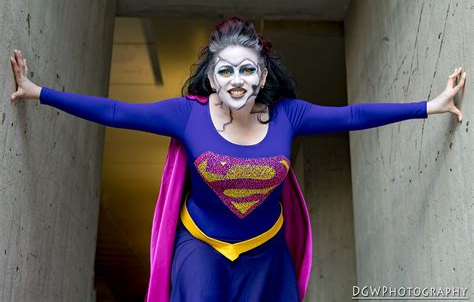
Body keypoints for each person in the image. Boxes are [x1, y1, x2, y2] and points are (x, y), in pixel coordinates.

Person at [9, 17, 466, 302]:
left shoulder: (290, 115)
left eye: (247, 69)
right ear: (211, 77)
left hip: (265, 252)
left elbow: (352, 115)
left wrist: (430, 105)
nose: (237, 80)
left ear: (262, 74)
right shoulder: (185, 115)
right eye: (225, 70)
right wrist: (39, 93)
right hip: (200, 247)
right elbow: (114, 111)